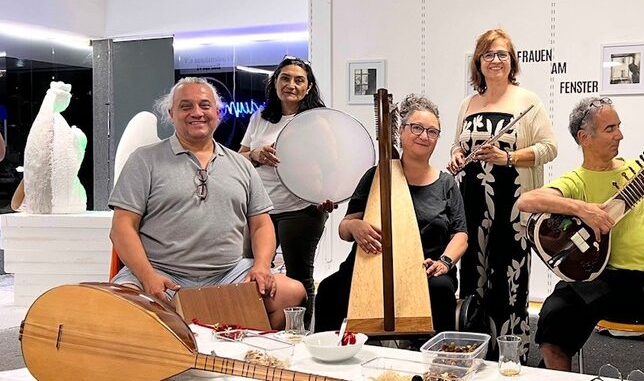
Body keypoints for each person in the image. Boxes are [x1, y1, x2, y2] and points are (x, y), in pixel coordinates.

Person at [517, 97, 644, 380]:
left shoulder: (640, 173)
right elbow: (527, 201)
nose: (620, 135)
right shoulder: (576, 180)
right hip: (600, 279)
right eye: (610, 129)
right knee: (552, 319)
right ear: (584, 137)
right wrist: (583, 209)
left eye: (619, 127)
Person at [108, 78, 305, 330]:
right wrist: (148, 276)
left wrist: (261, 266)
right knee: (119, 306)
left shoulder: (242, 165)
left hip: (228, 275)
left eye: (205, 105)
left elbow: (261, 224)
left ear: (218, 113)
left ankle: (246, 351)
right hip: (160, 274)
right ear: (171, 114)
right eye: (186, 106)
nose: (197, 113)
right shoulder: (144, 160)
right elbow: (122, 227)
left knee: (291, 292)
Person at [315, 94, 468, 334]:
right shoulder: (375, 176)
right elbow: (344, 228)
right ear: (400, 131)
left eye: (432, 131)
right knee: (329, 289)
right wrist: (354, 226)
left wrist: (444, 262)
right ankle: (331, 353)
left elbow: (460, 235)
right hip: (370, 267)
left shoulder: (446, 184)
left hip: (426, 271)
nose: (424, 136)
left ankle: (434, 356)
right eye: (417, 128)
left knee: (440, 290)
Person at [447, 28, 558, 359]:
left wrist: (507, 158)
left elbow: (549, 148)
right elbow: (457, 143)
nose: (495, 60)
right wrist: (456, 154)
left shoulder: (527, 101)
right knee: (472, 280)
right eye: (488, 54)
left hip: (513, 207)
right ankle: (475, 352)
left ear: (512, 61)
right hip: (472, 206)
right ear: (478, 62)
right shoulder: (468, 103)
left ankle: (510, 357)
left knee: (508, 282)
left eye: (502, 54)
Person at [238, 56, 335, 329]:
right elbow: (239, 158)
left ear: (308, 87)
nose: (291, 84)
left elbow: (333, 166)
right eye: (285, 78)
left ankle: (300, 334)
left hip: (301, 210)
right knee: (252, 273)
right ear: (275, 83)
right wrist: (256, 154)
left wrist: (328, 195)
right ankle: (257, 331)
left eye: (299, 80)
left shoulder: (317, 122)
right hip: (259, 211)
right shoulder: (260, 118)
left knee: (299, 277)